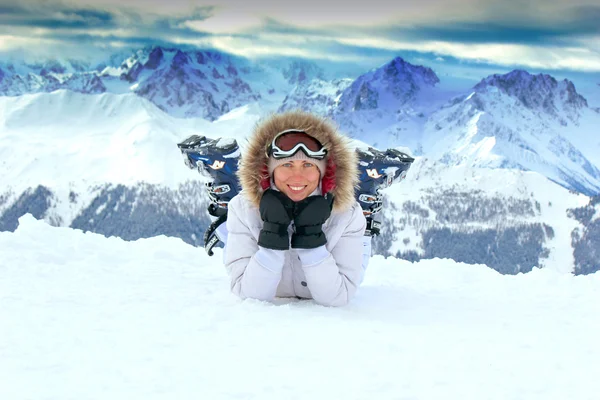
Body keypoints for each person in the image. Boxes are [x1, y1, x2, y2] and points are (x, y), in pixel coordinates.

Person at [222, 111, 368, 306]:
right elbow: (247, 295)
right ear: (269, 170)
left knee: (364, 256)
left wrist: (312, 241)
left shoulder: (347, 215)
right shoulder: (243, 209)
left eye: (308, 164)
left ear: (324, 172)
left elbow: (338, 298)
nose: (297, 177)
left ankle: (371, 202)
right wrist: (272, 238)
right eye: (287, 164)